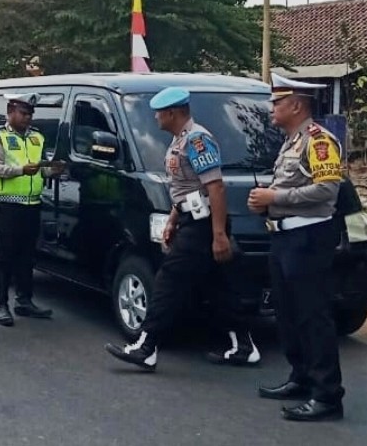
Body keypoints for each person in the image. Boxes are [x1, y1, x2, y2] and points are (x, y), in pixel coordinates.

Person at [105, 87, 259, 371]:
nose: (156, 118)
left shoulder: (197, 140)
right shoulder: (179, 140)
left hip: (204, 225)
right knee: (220, 286)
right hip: (191, 218)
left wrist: (219, 235)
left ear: (173, 113)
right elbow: (187, 189)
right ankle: (244, 346)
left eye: (159, 113)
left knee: (167, 280)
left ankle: (146, 347)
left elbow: (215, 187)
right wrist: (174, 219)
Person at [248, 74, 345, 422]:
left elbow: (327, 192)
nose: (272, 108)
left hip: (308, 239)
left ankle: (327, 395)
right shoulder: (291, 141)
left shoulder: (319, 141)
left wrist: (275, 197)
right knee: (288, 315)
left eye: (277, 102)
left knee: (312, 316)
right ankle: (301, 376)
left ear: (296, 105)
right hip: (284, 238)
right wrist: (266, 204)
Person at [0, 93, 65, 326]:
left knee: (27, 257)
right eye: (23, 113)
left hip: (32, 204)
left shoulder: (37, 137)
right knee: (3, 258)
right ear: (10, 111)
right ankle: (1, 305)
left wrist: (53, 171)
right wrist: (21, 170)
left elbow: (39, 169)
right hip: (9, 204)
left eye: (30, 113)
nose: (27, 118)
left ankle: (24, 301)